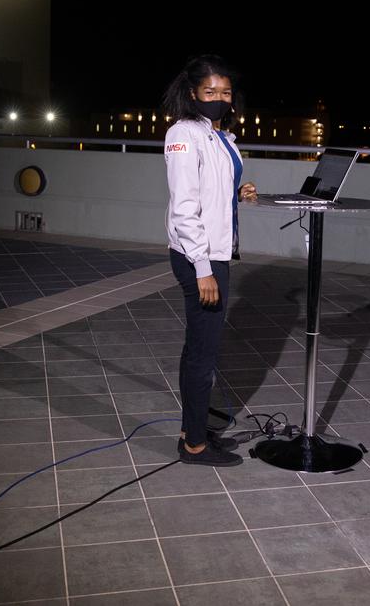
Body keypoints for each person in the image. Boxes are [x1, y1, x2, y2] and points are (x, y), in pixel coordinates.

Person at [162, 55, 258, 466]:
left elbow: (207, 194)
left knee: (196, 350)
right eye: (210, 92)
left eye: (225, 92)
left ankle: (194, 430)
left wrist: (237, 195)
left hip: (212, 253)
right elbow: (184, 207)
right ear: (192, 94)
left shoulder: (219, 136)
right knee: (203, 355)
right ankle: (195, 447)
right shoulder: (184, 133)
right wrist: (203, 269)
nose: (219, 98)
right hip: (198, 257)